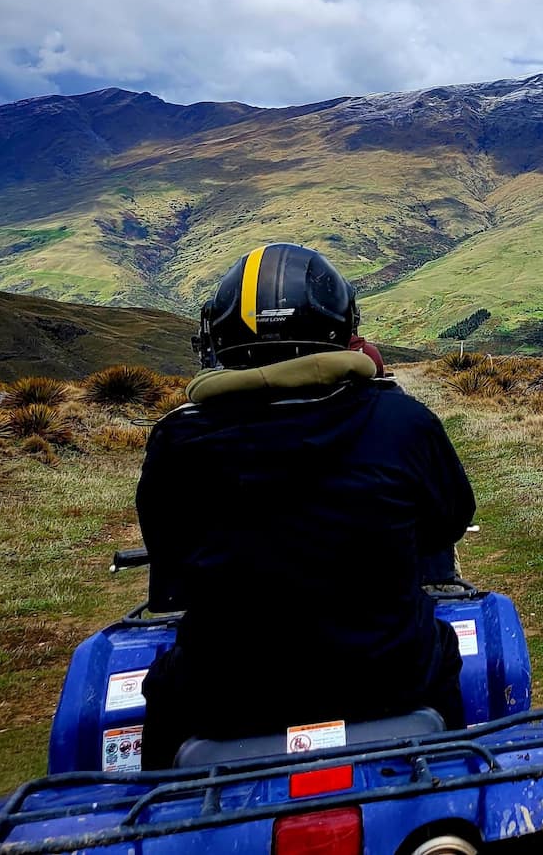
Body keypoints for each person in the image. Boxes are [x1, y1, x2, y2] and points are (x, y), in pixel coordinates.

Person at [137, 241, 475, 768]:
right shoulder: (402, 422)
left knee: (163, 696)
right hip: (391, 686)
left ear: (219, 339)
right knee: (443, 646)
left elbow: (172, 564)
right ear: (344, 329)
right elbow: (447, 523)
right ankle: (454, 785)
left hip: (223, 704)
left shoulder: (177, 441)